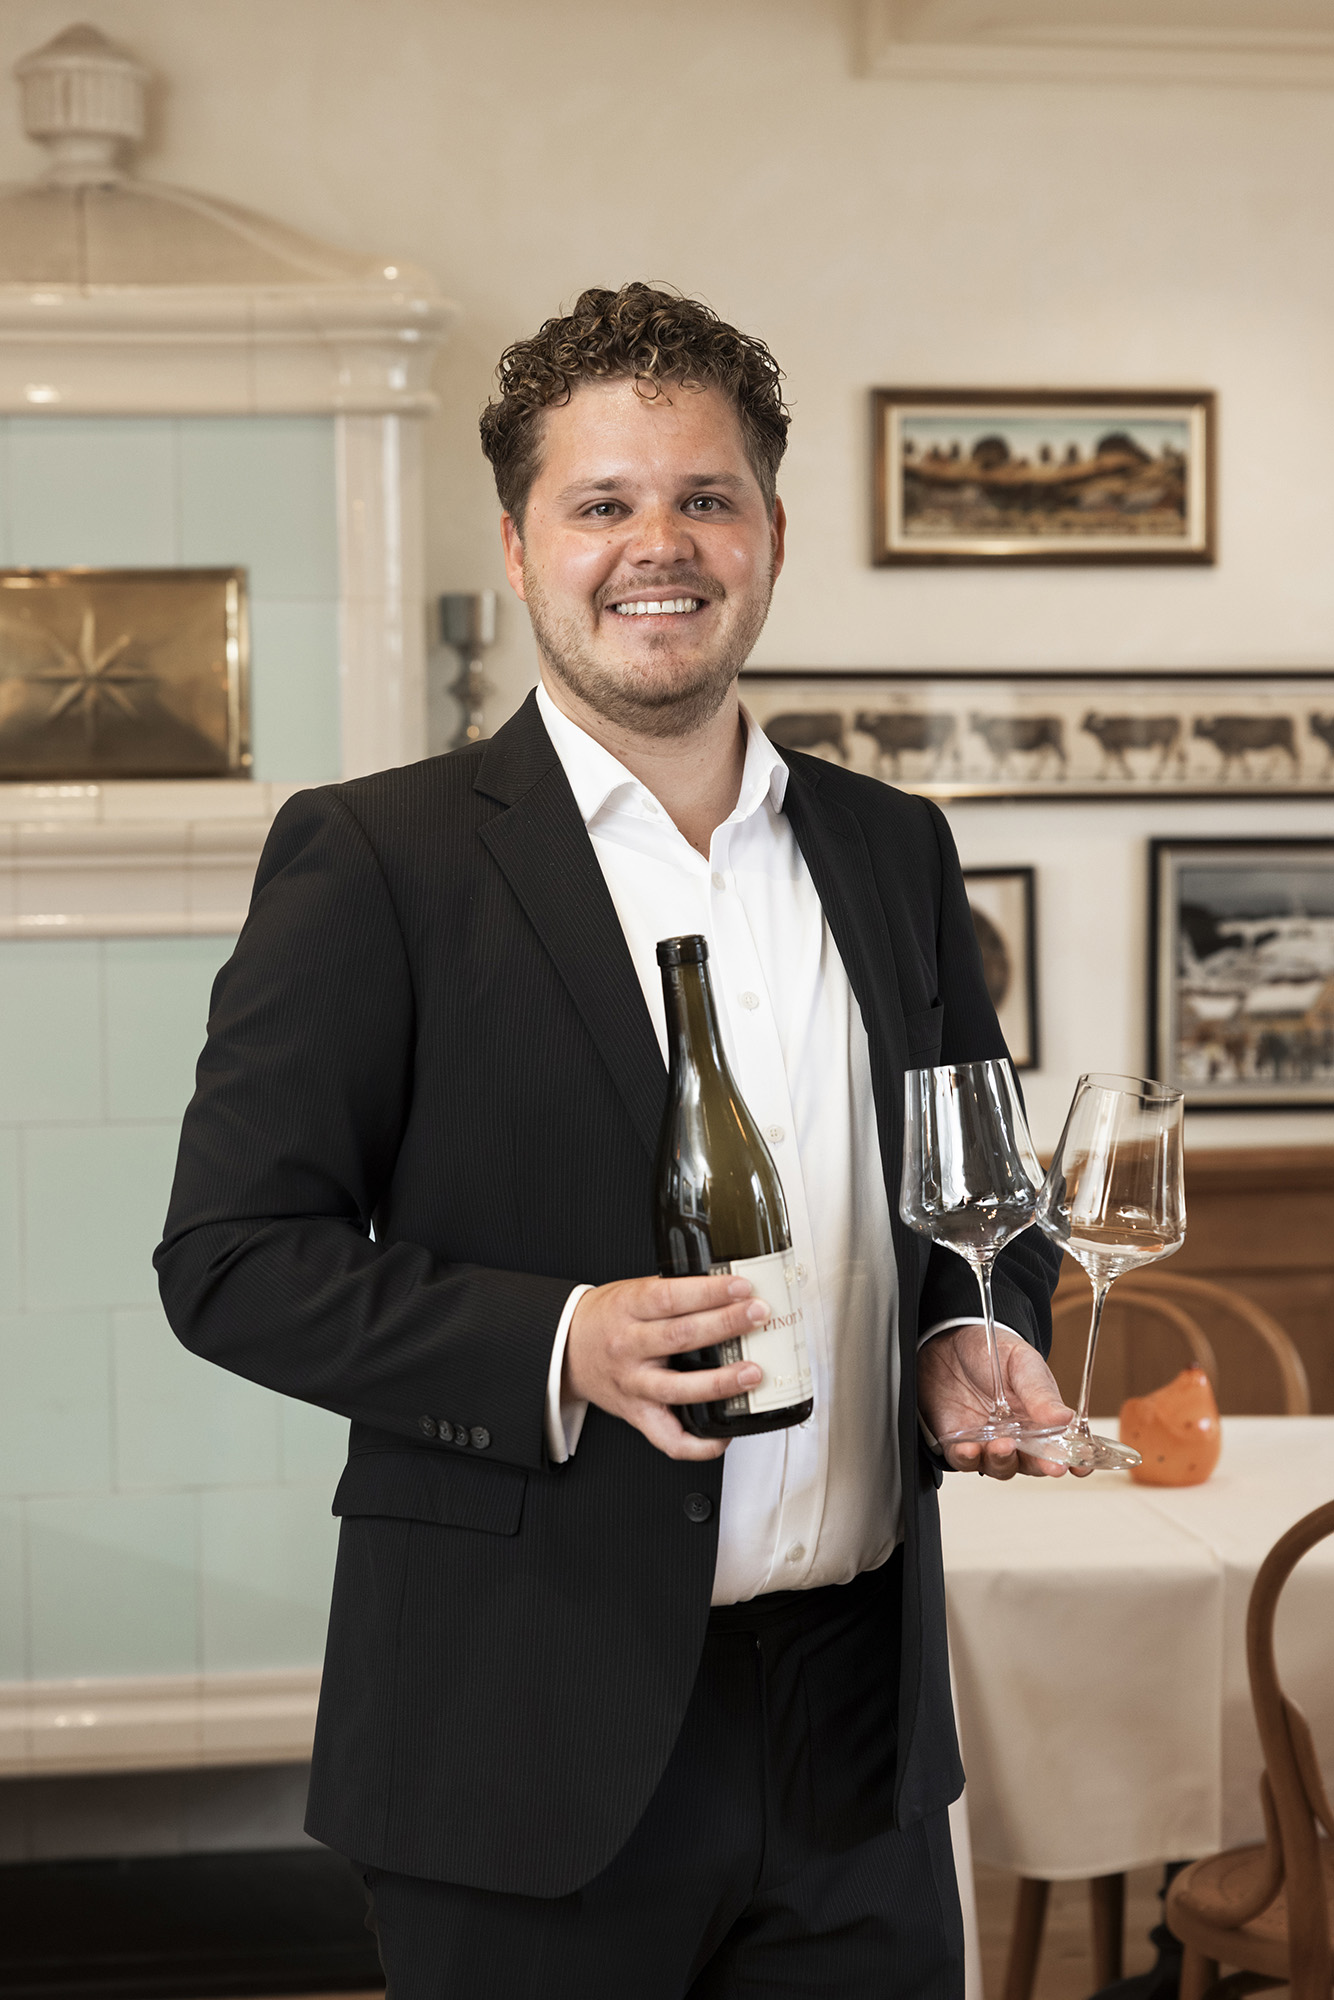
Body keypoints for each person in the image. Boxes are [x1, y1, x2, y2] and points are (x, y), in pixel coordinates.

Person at [156, 282, 1069, 1999]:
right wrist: (561, 1344)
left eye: (705, 497)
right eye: (602, 504)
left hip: (857, 1743)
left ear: (771, 538)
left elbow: (988, 1200)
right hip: (517, 1740)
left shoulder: (893, 849)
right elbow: (228, 1262)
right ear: (520, 548)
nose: (659, 544)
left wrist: (965, 1327)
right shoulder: (379, 860)